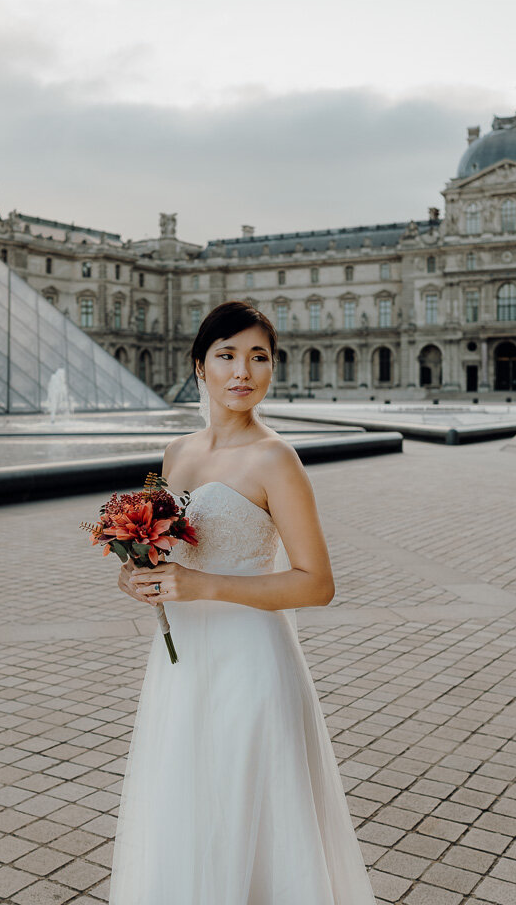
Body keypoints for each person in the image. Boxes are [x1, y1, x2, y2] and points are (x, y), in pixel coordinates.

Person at [107, 301, 377, 905]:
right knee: (188, 803)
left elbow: (316, 583)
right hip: (182, 664)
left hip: (251, 660)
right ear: (199, 367)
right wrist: (138, 576)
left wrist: (207, 587)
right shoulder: (177, 454)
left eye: (259, 357)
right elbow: (167, 551)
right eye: (227, 355)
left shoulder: (275, 459)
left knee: (253, 806)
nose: (243, 372)